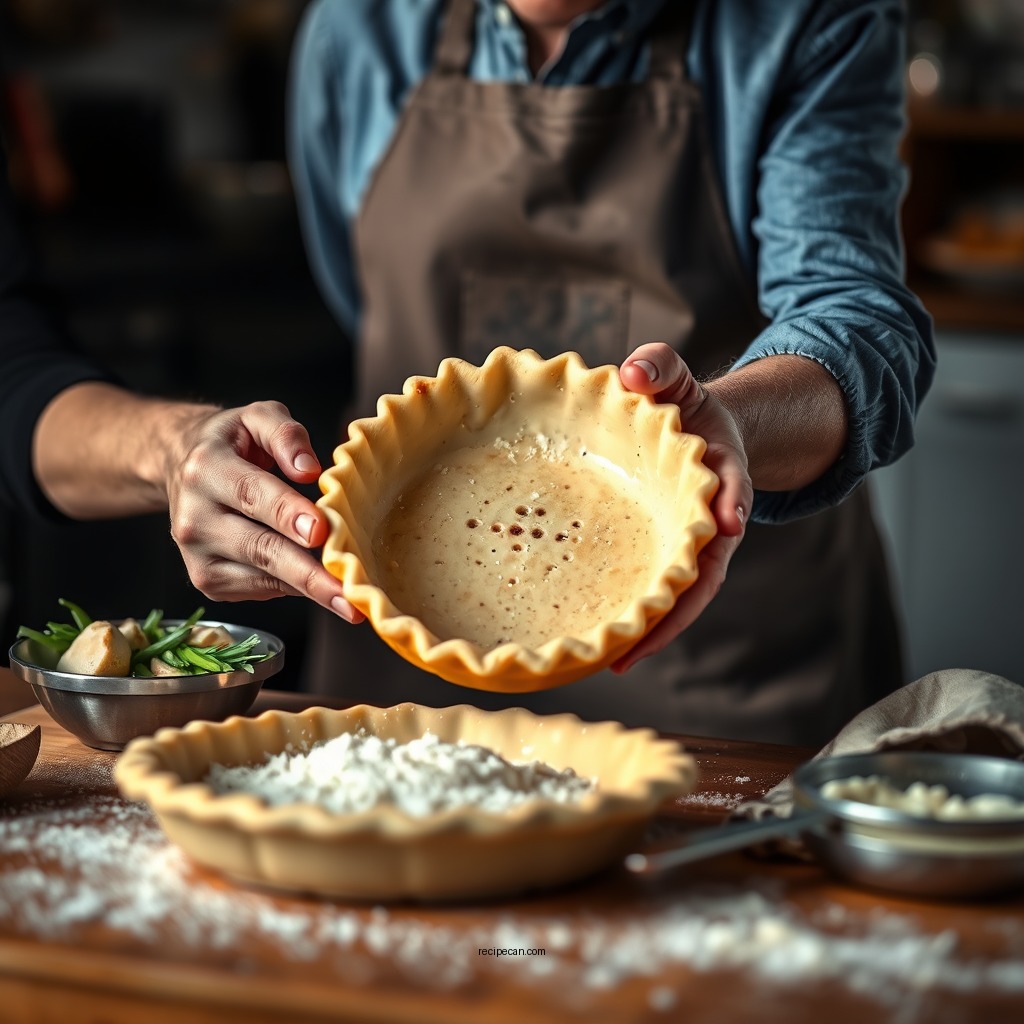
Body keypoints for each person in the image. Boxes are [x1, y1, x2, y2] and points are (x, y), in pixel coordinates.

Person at [1, 0, 935, 747]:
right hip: (413, 717)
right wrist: (172, 452)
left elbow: (862, 323)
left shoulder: (811, 19)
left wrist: (723, 424)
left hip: (732, 693)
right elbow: (363, 293)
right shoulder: (360, 29)